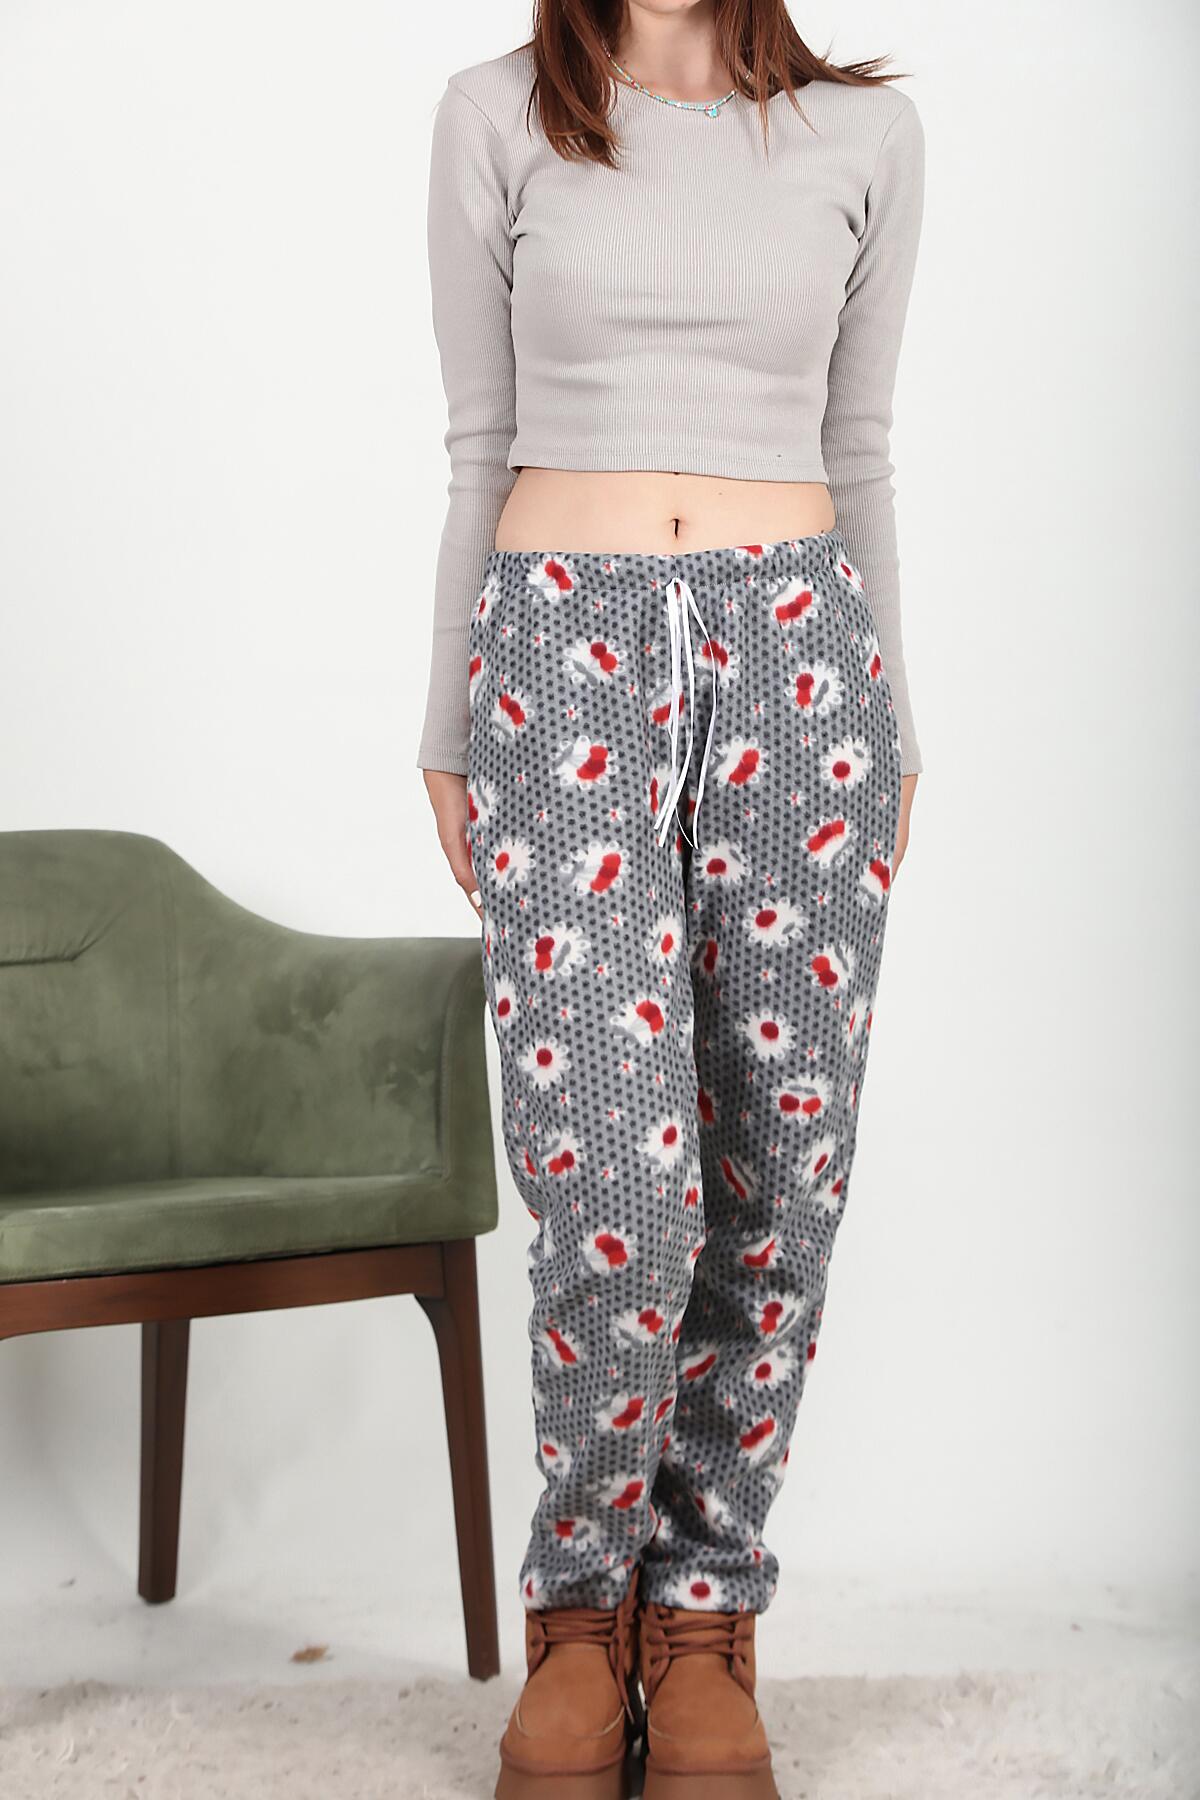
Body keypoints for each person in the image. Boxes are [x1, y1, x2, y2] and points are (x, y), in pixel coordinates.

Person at [417, 3, 925, 1794]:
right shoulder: (496, 116)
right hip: (560, 647)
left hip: (807, 664)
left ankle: (704, 1610)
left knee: (783, 1163)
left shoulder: (864, 140)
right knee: (616, 1184)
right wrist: (446, 723)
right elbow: (478, 441)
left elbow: (861, 443)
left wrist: (895, 719)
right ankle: (581, 1607)